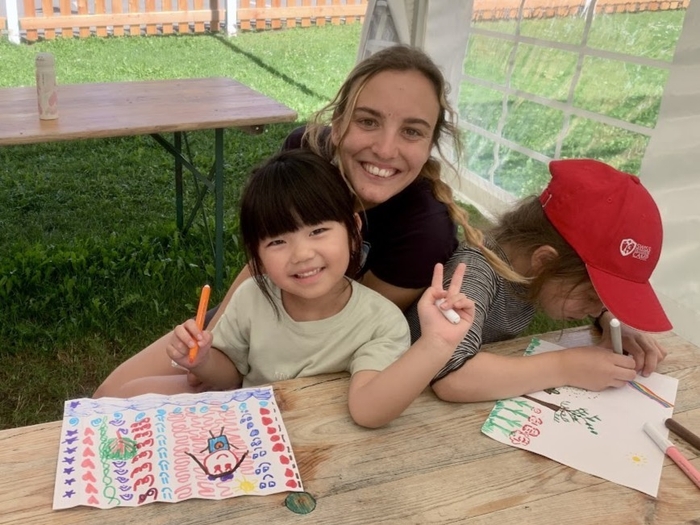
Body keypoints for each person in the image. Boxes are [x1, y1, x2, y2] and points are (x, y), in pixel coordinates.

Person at [94, 44, 511, 398]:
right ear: (338, 122)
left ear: (431, 143)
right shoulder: (306, 150)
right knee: (109, 395)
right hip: (258, 316)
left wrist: (233, 377)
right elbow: (262, 266)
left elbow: (344, 329)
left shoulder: (424, 231)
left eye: (412, 131)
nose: (386, 149)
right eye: (368, 121)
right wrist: (216, 343)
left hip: (308, 366)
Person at [103, 150, 475, 428]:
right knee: (120, 398)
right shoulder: (252, 297)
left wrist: (435, 344)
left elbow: (368, 411)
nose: (301, 254)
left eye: (318, 231)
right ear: (257, 255)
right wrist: (202, 361)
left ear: (353, 231)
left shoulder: (380, 322)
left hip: (317, 446)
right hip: (244, 428)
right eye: (278, 241)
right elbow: (230, 377)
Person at [406, 158, 672, 403]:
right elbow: (452, 377)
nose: (594, 308)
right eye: (593, 296)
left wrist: (612, 321)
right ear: (544, 261)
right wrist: (565, 367)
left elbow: (585, 296)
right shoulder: (474, 272)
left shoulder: (535, 271)